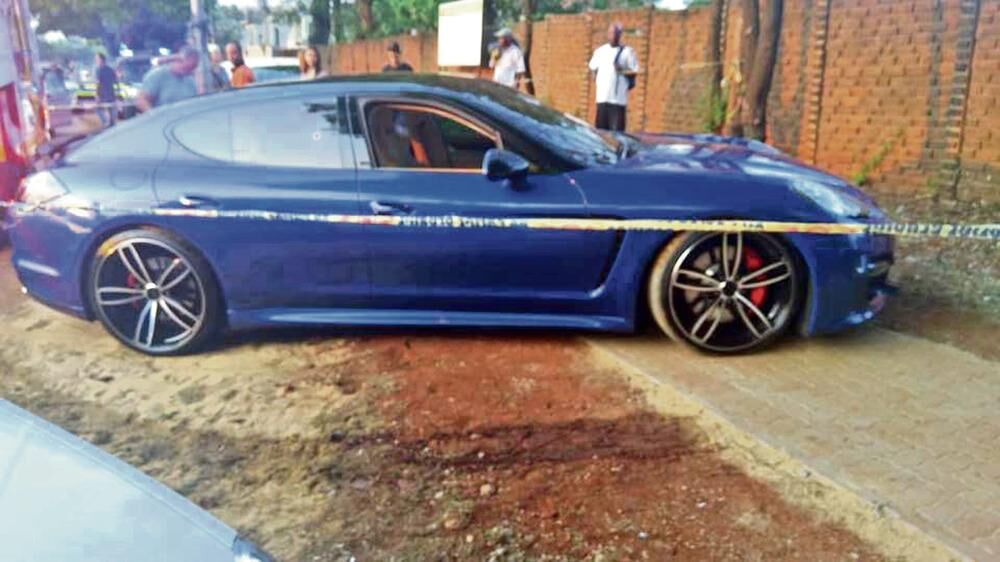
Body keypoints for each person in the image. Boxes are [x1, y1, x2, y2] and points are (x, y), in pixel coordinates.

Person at [588, 22, 639, 131]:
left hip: (618, 101)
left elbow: (633, 72)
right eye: (611, 33)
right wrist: (599, 83)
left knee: (617, 134)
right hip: (602, 99)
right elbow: (593, 68)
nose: (613, 36)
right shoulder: (600, 51)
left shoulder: (627, 52)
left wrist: (621, 70)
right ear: (608, 34)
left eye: (616, 33)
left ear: (620, 35)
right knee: (601, 133)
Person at [136, 47, 200, 112]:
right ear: (178, 60)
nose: (190, 71)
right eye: (187, 67)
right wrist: (154, 114)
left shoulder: (190, 81)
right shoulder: (157, 75)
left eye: (192, 68)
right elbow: (141, 101)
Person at [94, 53, 117, 127]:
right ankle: (111, 123)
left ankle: (105, 122)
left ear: (102, 60)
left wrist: (97, 95)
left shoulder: (98, 70)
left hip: (102, 93)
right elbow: (115, 80)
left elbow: (98, 83)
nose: (96, 61)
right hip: (110, 93)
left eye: (97, 59)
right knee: (110, 109)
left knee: (98, 108)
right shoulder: (110, 69)